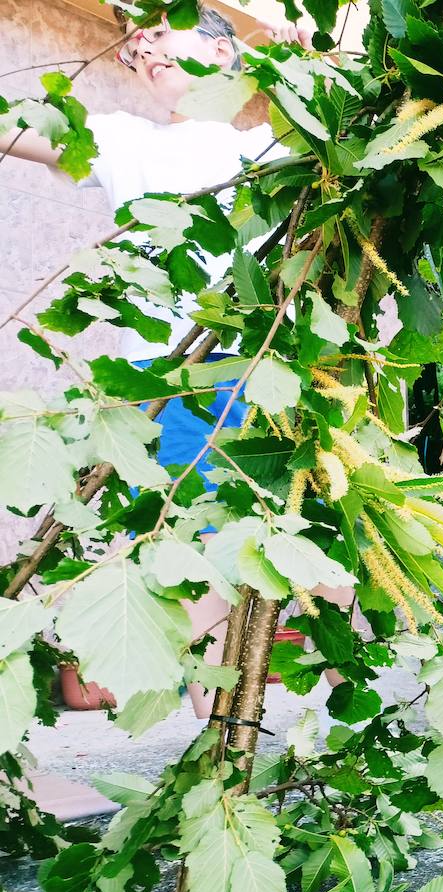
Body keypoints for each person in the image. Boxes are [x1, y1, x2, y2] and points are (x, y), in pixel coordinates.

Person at [2, 7, 306, 719]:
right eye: (134, 41)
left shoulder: (272, 146)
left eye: (160, 27)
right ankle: (201, 728)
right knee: (191, 556)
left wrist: (308, 63)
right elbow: (18, 128)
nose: (141, 43)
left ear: (226, 51)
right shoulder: (121, 141)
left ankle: (184, 696)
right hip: (160, 390)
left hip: (244, 376)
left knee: (245, 555)